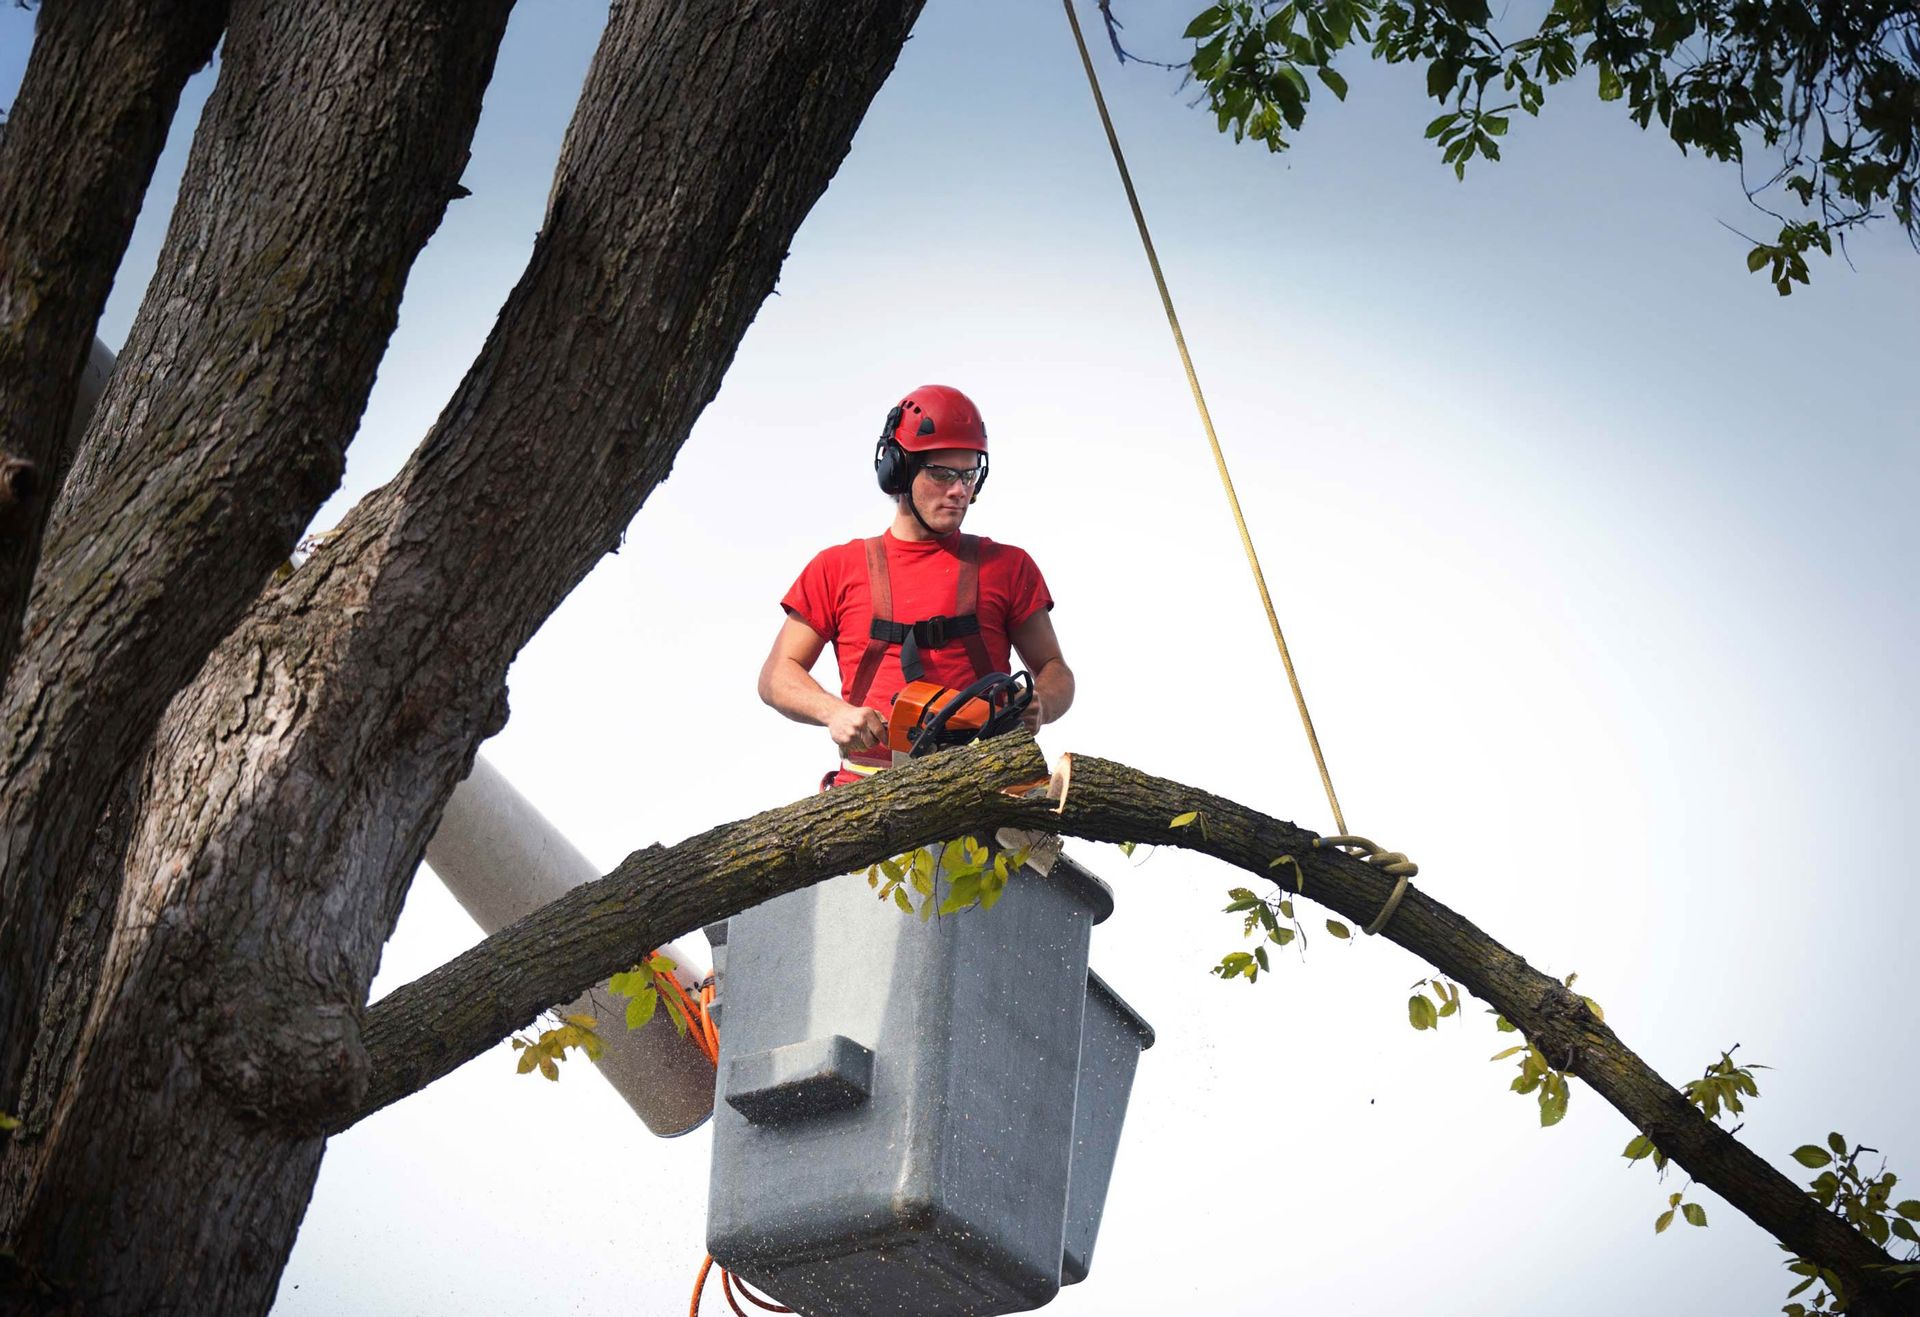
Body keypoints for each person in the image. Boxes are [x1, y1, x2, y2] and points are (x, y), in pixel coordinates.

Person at [759, 384, 1073, 787]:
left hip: (987, 785)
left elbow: (1056, 670)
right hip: (870, 791)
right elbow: (775, 676)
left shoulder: (1008, 566)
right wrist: (834, 713)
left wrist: (1041, 702)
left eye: (969, 474)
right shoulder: (836, 568)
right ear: (900, 471)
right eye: (942, 473)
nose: (959, 489)